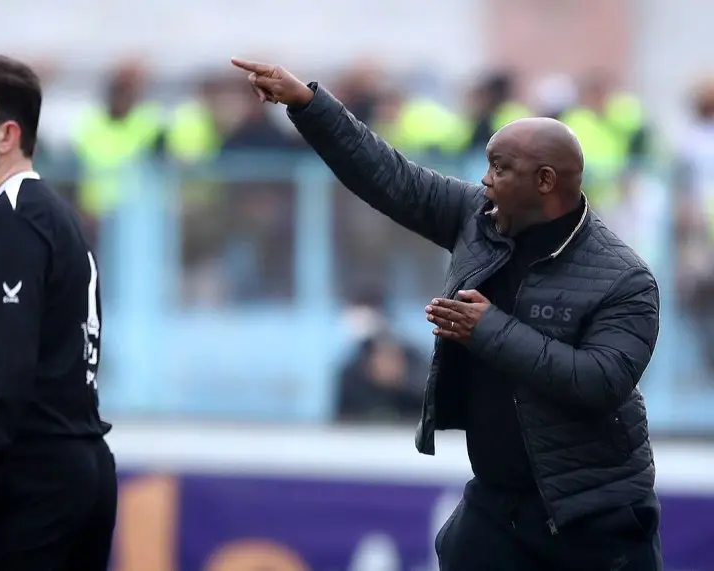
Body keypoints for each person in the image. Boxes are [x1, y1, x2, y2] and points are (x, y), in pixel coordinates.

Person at [231, 58, 662, 571]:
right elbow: (388, 176)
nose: (484, 179)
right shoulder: (478, 218)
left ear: (546, 181)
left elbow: (601, 381)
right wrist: (307, 103)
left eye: (500, 169)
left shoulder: (624, 279)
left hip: (593, 516)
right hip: (498, 506)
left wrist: (490, 329)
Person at [0, 55, 117, 571]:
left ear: (6, 135)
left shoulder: (17, 220)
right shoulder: (42, 215)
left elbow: (10, 354)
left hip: (32, 478)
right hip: (70, 468)